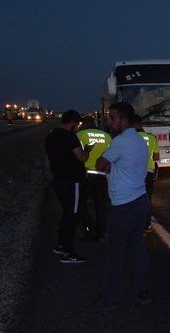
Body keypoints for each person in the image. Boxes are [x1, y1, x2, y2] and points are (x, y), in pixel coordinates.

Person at [92, 103, 151, 311]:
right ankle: (142, 291)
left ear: (124, 120)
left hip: (123, 205)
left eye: (113, 118)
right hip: (141, 201)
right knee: (138, 248)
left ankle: (109, 299)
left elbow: (100, 163)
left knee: (114, 254)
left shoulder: (120, 141)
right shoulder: (140, 140)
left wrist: (109, 164)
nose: (110, 121)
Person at [44, 110, 88, 264]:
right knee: (73, 215)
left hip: (58, 180)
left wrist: (49, 172)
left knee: (67, 213)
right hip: (72, 181)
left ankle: (60, 245)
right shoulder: (69, 137)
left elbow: (47, 159)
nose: (78, 127)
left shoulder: (51, 136)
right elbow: (81, 157)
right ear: (72, 122)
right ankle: (67, 252)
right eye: (77, 124)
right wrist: (87, 151)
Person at [76, 116, 112, 240]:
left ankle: (88, 227)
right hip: (102, 175)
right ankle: (101, 231)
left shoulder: (80, 134)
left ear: (85, 124)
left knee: (81, 202)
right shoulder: (106, 136)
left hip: (85, 174)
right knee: (100, 205)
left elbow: (78, 154)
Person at [133, 115, 159, 231]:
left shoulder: (131, 138)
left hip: (133, 173)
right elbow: (156, 157)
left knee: (133, 199)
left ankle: (136, 224)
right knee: (147, 198)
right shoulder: (151, 137)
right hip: (148, 172)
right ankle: (147, 224)